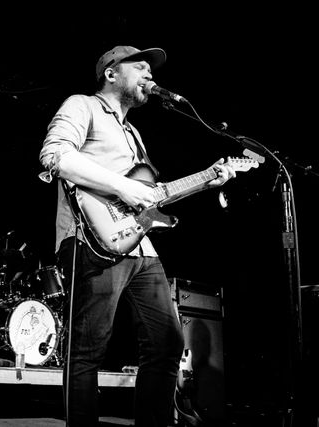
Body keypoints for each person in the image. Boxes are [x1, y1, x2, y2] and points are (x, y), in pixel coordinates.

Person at [39, 45, 236, 426]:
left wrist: (208, 178)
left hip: (139, 243)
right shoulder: (82, 105)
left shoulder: (134, 132)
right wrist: (122, 187)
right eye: (141, 67)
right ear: (112, 74)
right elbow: (56, 156)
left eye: (151, 70)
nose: (151, 75)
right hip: (90, 239)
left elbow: (150, 194)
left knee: (166, 344)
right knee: (88, 349)